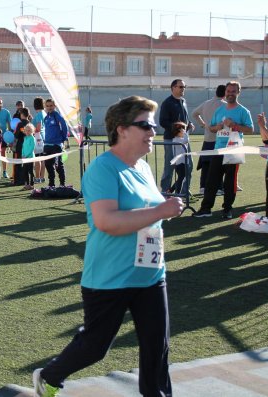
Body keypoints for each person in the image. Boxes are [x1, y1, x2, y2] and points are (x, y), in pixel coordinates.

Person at [32, 96, 183, 397]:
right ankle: (49, 375)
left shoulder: (142, 168)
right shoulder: (103, 169)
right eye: (146, 125)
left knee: (157, 345)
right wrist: (160, 211)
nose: (153, 131)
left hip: (150, 274)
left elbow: (147, 211)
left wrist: (164, 208)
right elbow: (106, 221)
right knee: (95, 347)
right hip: (109, 277)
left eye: (153, 126)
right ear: (122, 129)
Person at [193, 81, 253, 219]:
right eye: (228, 91)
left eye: (233, 91)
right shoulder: (220, 110)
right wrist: (219, 126)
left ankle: (227, 209)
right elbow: (211, 128)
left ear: (238, 92)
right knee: (211, 180)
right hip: (218, 150)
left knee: (230, 182)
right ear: (225, 92)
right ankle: (206, 208)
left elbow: (250, 130)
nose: (230, 94)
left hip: (234, 150)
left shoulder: (243, 111)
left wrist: (235, 125)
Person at [159, 79, 194, 194]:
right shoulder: (167, 103)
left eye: (184, 87)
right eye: (180, 87)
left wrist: (189, 124)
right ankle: (165, 191)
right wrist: (177, 129)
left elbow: (185, 120)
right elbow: (163, 122)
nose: (183, 89)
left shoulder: (183, 101)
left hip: (183, 140)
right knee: (170, 166)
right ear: (173, 87)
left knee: (188, 165)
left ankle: (184, 191)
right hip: (171, 139)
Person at [192, 84, 226, 194]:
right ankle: (218, 187)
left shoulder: (206, 103)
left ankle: (203, 187)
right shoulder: (225, 105)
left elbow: (194, 114)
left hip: (207, 138)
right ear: (225, 93)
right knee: (219, 164)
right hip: (220, 138)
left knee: (206, 164)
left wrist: (203, 124)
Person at [43, 99, 68, 188]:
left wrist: (63, 138)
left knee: (58, 165)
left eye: (51, 105)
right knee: (48, 165)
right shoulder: (46, 117)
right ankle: (51, 184)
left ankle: (62, 184)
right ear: (45, 107)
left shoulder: (57, 116)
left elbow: (64, 126)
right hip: (47, 145)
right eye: (47, 106)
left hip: (56, 145)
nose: (49, 107)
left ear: (55, 106)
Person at [169, 122, 189, 194]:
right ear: (180, 131)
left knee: (181, 178)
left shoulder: (177, 139)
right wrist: (185, 133)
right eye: (184, 130)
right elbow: (186, 140)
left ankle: (171, 190)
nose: (184, 132)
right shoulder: (177, 140)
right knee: (181, 178)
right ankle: (177, 193)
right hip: (181, 162)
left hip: (181, 162)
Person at [13, 107, 31, 186]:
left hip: (20, 145)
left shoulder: (20, 124)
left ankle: (18, 180)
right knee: (27, 163)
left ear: (22, 114)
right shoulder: (30, 124)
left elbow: (16, 135)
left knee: (18, 162)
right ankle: (26, 180)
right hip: (28, 145)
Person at [32, 97, 46, 183]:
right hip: (44, 137)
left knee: (38, 158)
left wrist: (30, 130)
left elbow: (38, 127)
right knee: (43, 158)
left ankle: (37, 177)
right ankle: (42, 177)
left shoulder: (38, 114)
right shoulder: (44, 113)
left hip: (38, 138)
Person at [22, 123, 36, 190]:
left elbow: (32, 148)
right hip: (25, 158)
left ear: (32, 131)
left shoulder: (32, 138)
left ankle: (32, 184)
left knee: (31, 171)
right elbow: (23, 147)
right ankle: (27, 184)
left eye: (29, 130)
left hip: (30, 158)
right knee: (25, 171)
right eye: (26, 130)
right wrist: (23, 155)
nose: (27, 132)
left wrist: (27, 155)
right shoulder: (25, 138)